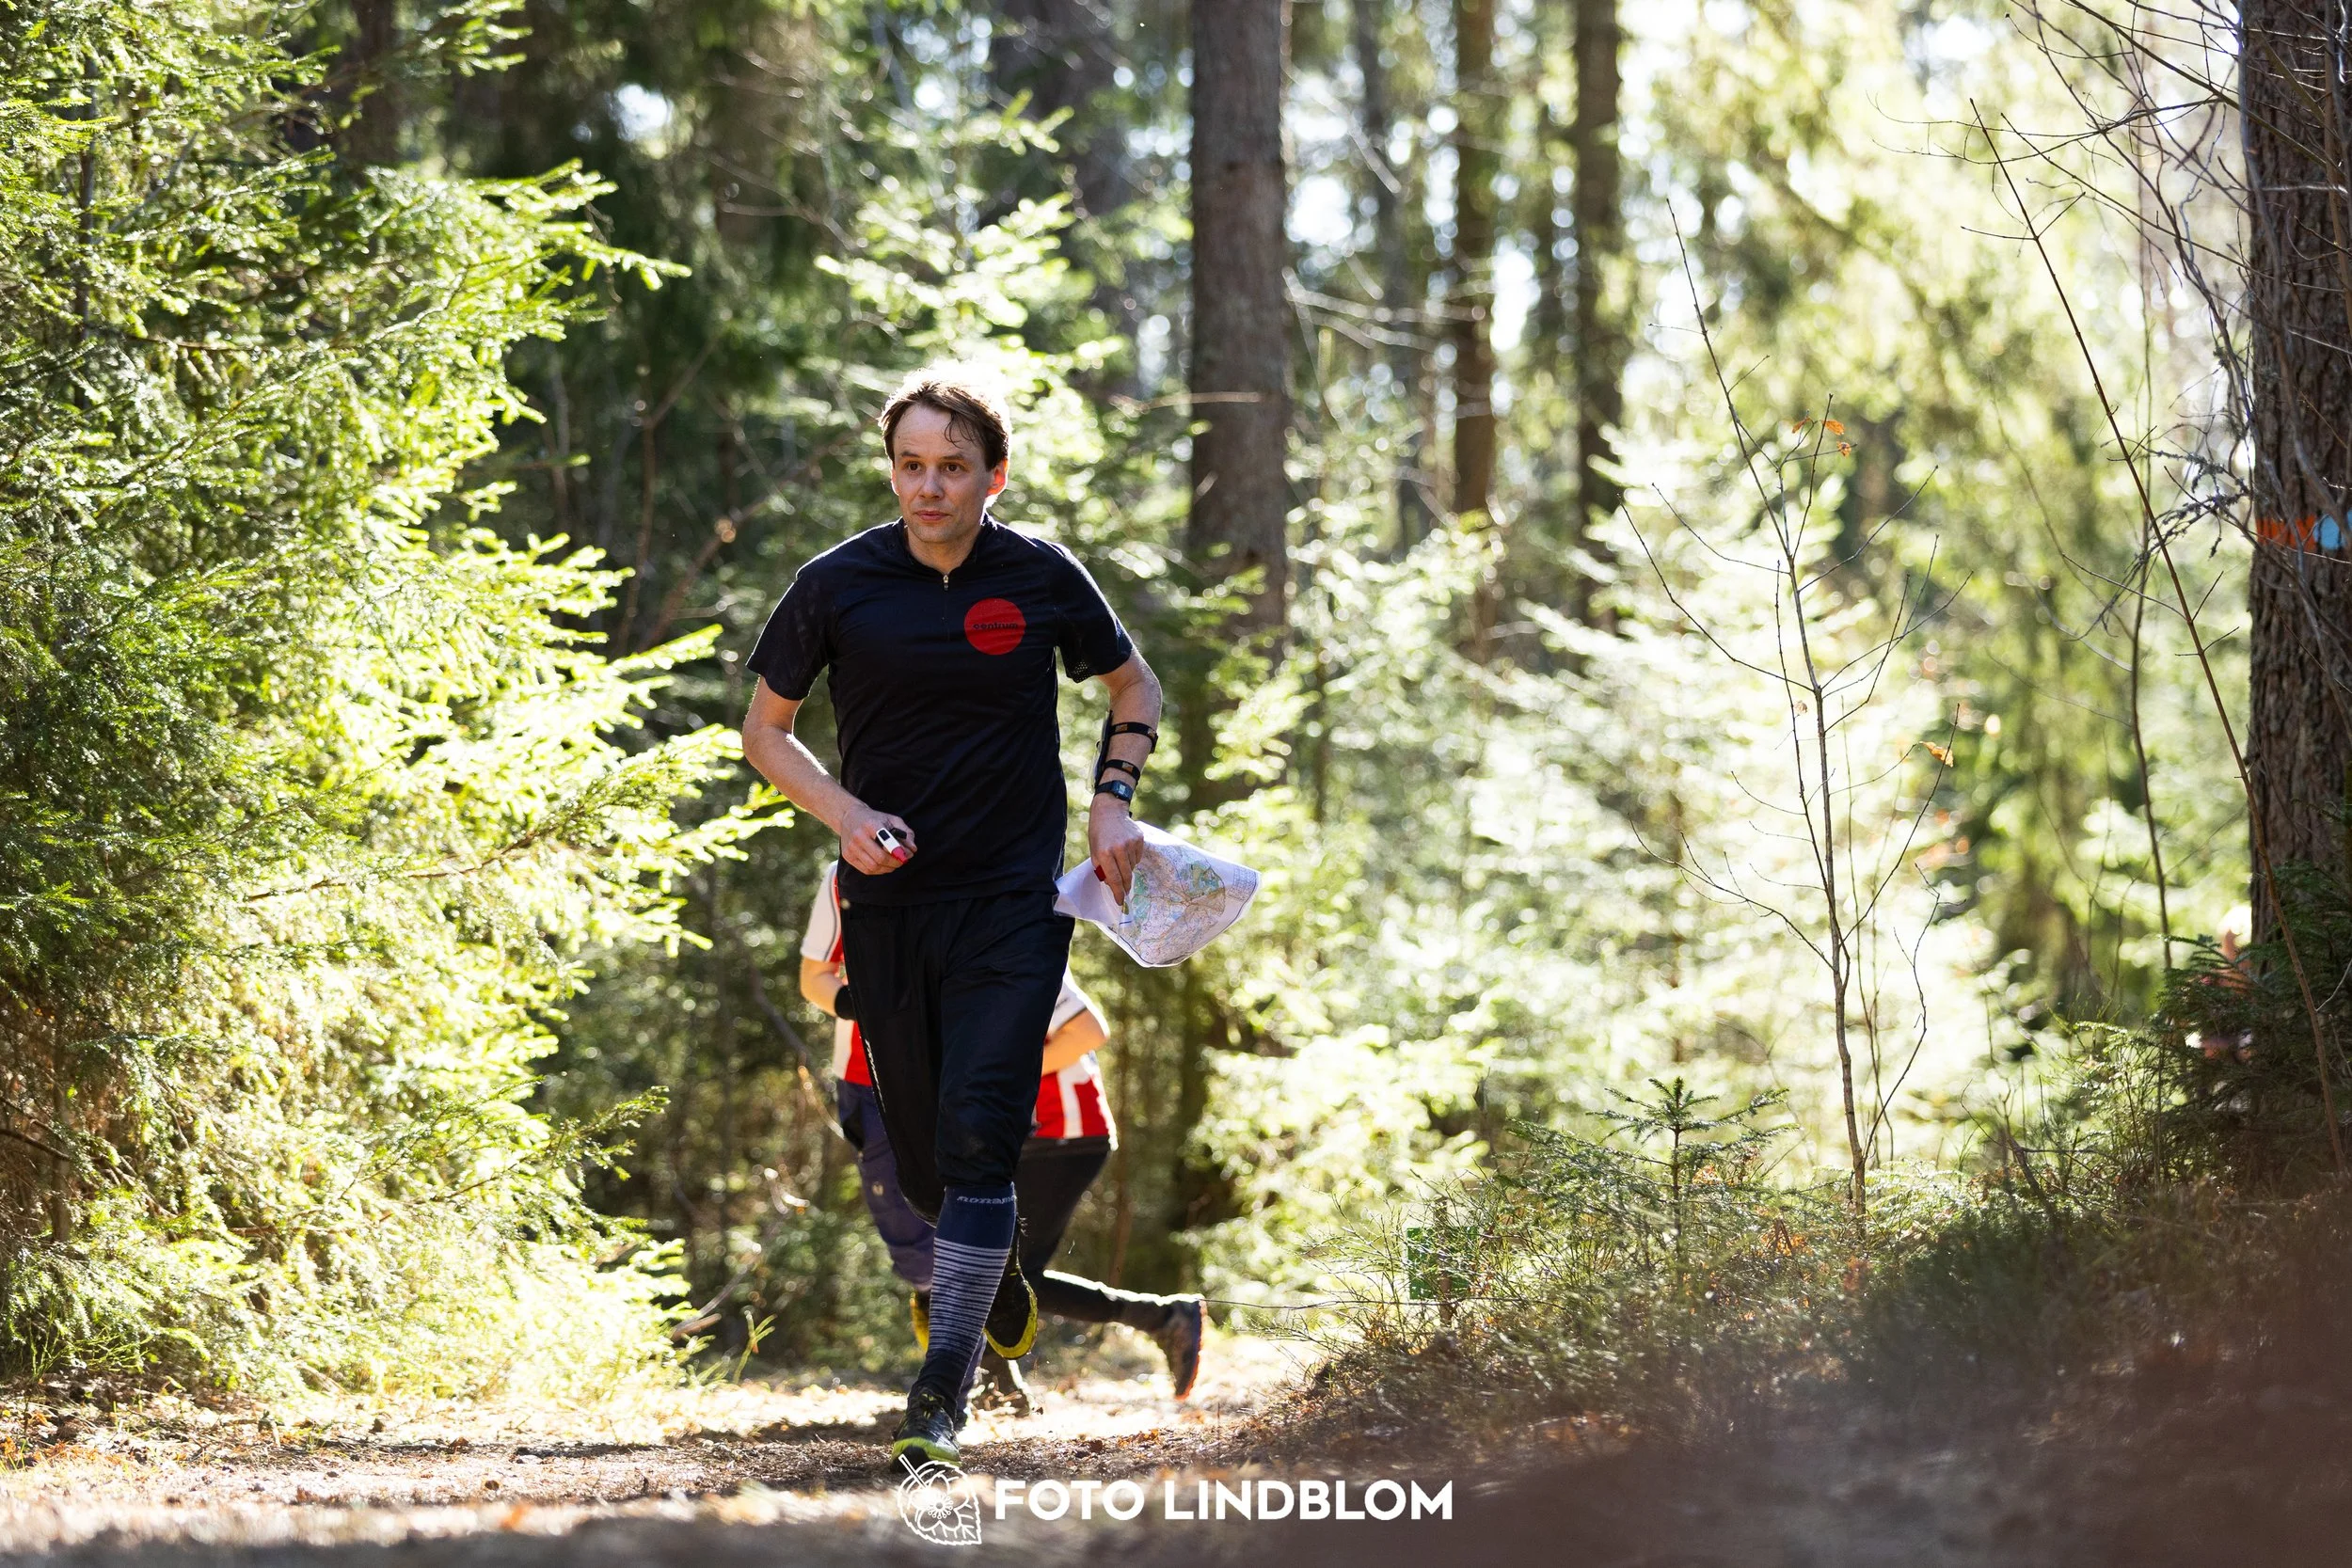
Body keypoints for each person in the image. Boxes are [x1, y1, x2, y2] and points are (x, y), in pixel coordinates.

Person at [741, 366, 1165, 1472]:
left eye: (951, 467)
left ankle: (941, 1393)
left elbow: (1136, 689)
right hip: (886, 902)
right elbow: (767, 730)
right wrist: (842, 813)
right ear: (892, 473)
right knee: (930, 1163)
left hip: (1014, 903)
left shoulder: (1039, 577)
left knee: (980, 1132)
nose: (927, 488)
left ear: (994, 476)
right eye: (910, 467)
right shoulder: (836, 584)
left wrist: (1112, 803)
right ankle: (1004, 1274)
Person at [799, 862, 1207, 1413]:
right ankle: (1004, 1383)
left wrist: (994, 1068)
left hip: (1063, 1130)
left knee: (995, 1268)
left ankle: (1160, 1317)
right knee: (982, 1260)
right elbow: (817, 978)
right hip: (1012, 1130)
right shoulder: (886, 920)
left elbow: (1090, 1029)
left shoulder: (990, 936)